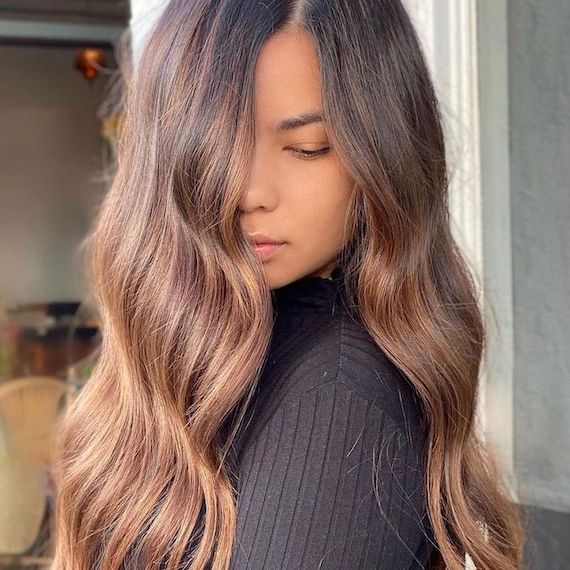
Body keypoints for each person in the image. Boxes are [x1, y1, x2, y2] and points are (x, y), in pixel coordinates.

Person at [50, 1, 525, 569]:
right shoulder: (207, 353)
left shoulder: (341, 394)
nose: (251, 192)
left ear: (385, 150)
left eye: (307, 148)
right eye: (219, 144)